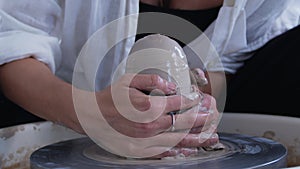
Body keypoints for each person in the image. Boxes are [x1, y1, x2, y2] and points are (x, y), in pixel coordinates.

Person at [0, 0, 299, 157]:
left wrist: (191, 104)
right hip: (56, 101)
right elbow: (13, 39)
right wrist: (88, 113)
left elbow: (235, 51)